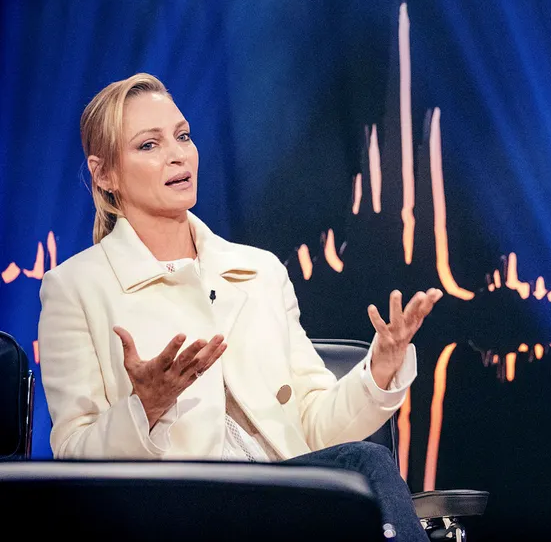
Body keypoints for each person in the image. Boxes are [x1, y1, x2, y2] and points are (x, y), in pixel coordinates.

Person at [37, 73, 439, 542]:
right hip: (176, 512)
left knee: (363, 467)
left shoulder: (260, 271)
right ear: (104, 174)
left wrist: (381, 369)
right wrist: (145, 408)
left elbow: (315, 428)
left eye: (183, 136)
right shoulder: (74, 288)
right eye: (149, 145)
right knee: (364, 465)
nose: (178, 155)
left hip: (283, 502)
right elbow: (74, 458)